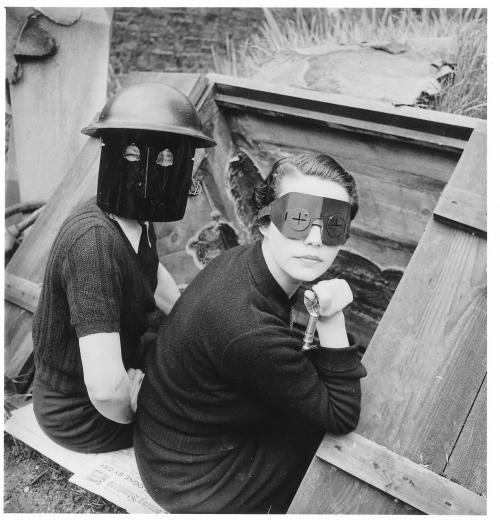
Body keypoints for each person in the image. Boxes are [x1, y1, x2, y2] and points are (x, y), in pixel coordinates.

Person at [134, 153, 367, 513]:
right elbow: (342, 414)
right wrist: (333, 316)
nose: (316, 240)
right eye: (298, 219)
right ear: (264, 223)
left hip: (172, 445)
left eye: (333, 224)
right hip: (197, 480)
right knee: (341, 437)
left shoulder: (246, 262)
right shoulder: (248, 327)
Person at [31, 82, 216, 453]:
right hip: (80, 411)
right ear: (113, 155)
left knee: (200, 367)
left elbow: (152, 272)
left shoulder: (136, 215)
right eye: (134, 155)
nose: (156, 170)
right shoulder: (93, 243)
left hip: (121, 362)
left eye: (169, 160)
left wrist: (192, 327)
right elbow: (103, 388)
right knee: (204, 415)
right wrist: (138, 406)